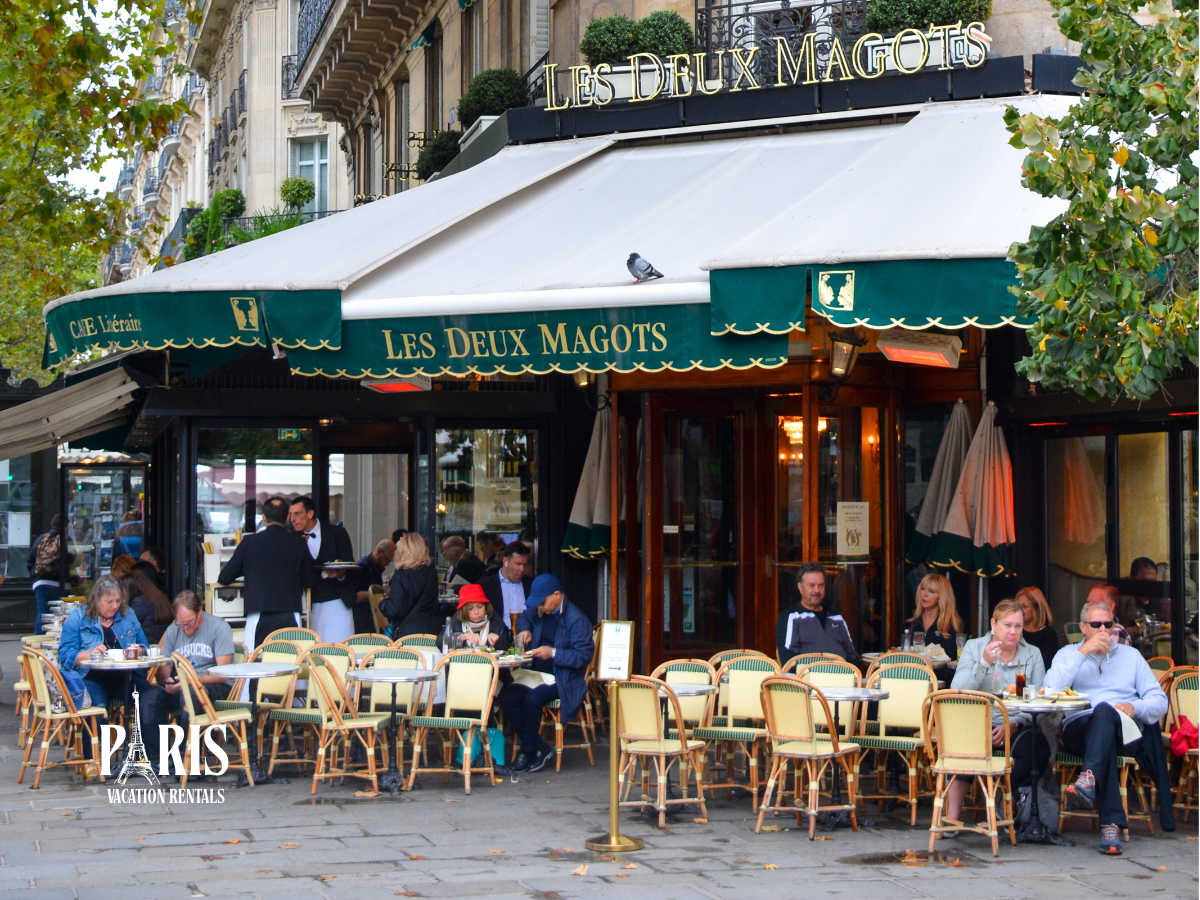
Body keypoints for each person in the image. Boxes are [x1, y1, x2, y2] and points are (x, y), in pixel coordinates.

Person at [1046, 598, 1174, 852]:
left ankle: (1091, 785)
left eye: (1108, 624)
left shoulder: (1131, 656)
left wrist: (1135, 707)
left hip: (1124, 731)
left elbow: (1159, 701)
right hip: (1079, 729)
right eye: (1096, 624)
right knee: (1102, 717)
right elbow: (1049, 691)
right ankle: (1108, 822)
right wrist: (1082, 652)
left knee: (1105, 714)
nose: (1103, 630)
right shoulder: (1068, 654)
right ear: (1083, 628)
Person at [944, 598, 1047, 827]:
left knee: (1037, 747)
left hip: (1017, 725)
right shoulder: (974, 647)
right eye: (1007, 625)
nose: (1013, 631)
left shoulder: (1032, 654)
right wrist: (983, 663)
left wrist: (1014, 723)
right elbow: (956, 689)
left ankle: (1003, 798)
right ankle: (952, 817)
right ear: (993, 624)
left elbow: (1039, 698)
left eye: (1018, 626)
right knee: (966, 748)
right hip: (978, 723)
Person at [500, 574, 595, 774]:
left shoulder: (577, 620)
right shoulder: (540, 609)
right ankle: (541, 749)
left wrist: (552, 653)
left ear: (557, 596)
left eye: (542, 603)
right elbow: (525, 617)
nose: (539, 607)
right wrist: (524, 630)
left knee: (532, 699)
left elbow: (583, 656)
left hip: (563, 678)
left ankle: (526, 751)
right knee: (507, 696)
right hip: (535, 674)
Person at [218, 496, 315, 648]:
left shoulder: (249, 543)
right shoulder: (298, 543)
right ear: (287, 518)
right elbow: (310, 580)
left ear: (263, 518)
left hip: (258, 612)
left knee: (255, 663)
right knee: (291, 663)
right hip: (289, 611)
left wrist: (249, 571)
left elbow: (224, 577)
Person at [148, 590, 236, 742]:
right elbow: (164, 674)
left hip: (215, 686)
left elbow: (223, 674)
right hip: (183, 684)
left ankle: (185, 755)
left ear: (200, 612)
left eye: (190, 622)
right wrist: (166, 681)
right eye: (181, 623)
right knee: (150, 697)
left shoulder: (219, 627)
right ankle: (155, 756)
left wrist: (190, 681)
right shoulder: (173, 630)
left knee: (191, 693)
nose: (185, 628)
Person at [57, 575, 151, 712]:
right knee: (98, 706)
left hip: (126, 678)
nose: (115, 606)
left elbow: (145, 647)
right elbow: (64, 656)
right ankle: (98, 734)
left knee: (151, 697)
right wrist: (89, 655)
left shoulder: (128, 614)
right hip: (90, 678)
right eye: (109, 601)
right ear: (96, 600)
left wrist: (138, 650)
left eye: (118, 601)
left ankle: (143, 734)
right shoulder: (78, 617)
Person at [289, 496, 356, 645]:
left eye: (297, 514)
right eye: (291, 514)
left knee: (341, 650)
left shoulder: (337, 533)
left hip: (337, 602)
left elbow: (349, 565)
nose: (293, 519)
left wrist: (340, 575)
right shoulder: (292, 539)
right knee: (311, 654)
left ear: (310, 514)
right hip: (307, 605)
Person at [776, 562, 860, 666]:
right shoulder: (791, 617)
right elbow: (788, 661)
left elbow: (852, 656)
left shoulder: (836, 617)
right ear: (800, 587)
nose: (817, 590)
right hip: (806, 680)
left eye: (821, 585)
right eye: (811, 585)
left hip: (841, 678)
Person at [380, 532, 441, 638]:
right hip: (432, 631)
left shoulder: (401, 575)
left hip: (408, 634)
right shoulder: (431, 571)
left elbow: (395, 610)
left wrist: (383, 603)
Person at [903, 573, 963, 670]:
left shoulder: (950, 626)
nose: (925, 594)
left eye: (931, 591)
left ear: (942, 597)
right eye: (923, 589)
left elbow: (952, 661)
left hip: (940, 679)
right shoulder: (910, 624)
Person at [28, 515, 71, 635]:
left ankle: (38, 642)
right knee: (61, 615)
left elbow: (30, 560)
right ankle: (56, 639)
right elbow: (73, 561)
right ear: (65, 527)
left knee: (42, 614)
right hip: (59, 584)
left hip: (41, 583)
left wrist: (35, 577)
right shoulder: (66, 539)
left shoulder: (41, 539)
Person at [480, 541, 533, 628]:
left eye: (525, 565)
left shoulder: (531, 584)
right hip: (497, 637)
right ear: (505, 562)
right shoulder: (485, 586)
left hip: (527, 636)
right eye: (518, 564)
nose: (522, 569)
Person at [350, 539, 395, 634]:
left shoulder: (376, 567)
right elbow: (354, 596)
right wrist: (376, 595)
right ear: (379, 551)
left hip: (371, 620)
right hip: (362, 621)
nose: (387, 564)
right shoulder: (362, 568)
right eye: (387, 559)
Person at [450, 583, 512, 650]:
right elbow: (441, 642)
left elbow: (508, 644)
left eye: (480, 607)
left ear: (485, 607)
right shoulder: (457, 619)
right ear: (464, 611)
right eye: (470, 609)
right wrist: (461, 637)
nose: (476, 612)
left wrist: (497, 640)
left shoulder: (494, 619)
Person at [125, 561, 173, 646]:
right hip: (162, 647)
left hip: (147, 648)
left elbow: (128, 626)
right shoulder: (159, 597)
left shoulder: (139, 603)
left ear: (131, 590)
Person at [1016, 586, 1060, 671]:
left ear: (1037, 609)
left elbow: (1046, 667)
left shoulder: (1048, 635)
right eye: (1017, 606)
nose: (1019, 610)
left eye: (1024, 606)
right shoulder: (1015, 632)